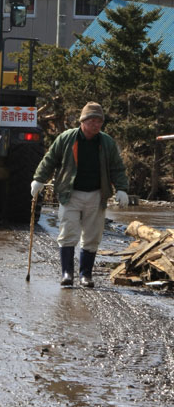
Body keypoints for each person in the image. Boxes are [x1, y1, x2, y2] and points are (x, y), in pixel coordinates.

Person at [31, 102, 129, 288]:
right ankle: (67, 273)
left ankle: (86, 275)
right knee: (68, 233)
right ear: (83, 121)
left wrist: (122, 189)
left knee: (92, 236)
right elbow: (50, 160)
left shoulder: (106, 142)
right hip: (70, 194)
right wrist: (39, 179)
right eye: (92, 120)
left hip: (96, 195)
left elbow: (117, 167)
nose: (96, 124)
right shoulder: (67, 138)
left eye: (99, 121)